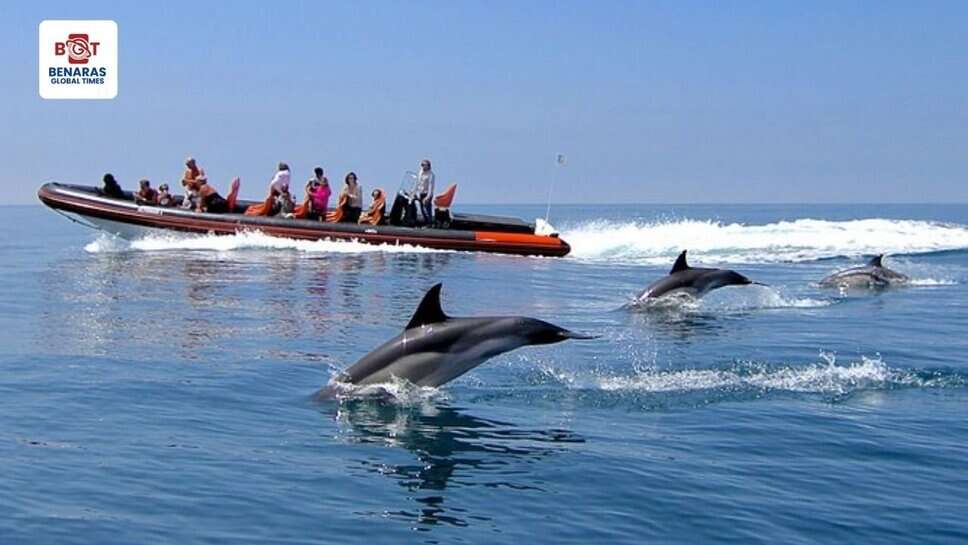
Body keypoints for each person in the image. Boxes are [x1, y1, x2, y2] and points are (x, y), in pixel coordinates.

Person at [413, 159, 435, 223]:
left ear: (428, 166)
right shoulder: (420, 173)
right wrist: (414, 192)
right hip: (421, 193)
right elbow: (417, 183)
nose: (422, 166)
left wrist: (428, 197)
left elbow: (431, 187)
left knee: (427, 209)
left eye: (424, 165)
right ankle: (426, 222)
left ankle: (430, 223)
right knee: (422, 209)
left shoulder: (431, 175)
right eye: (421, 165)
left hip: (427, 193)